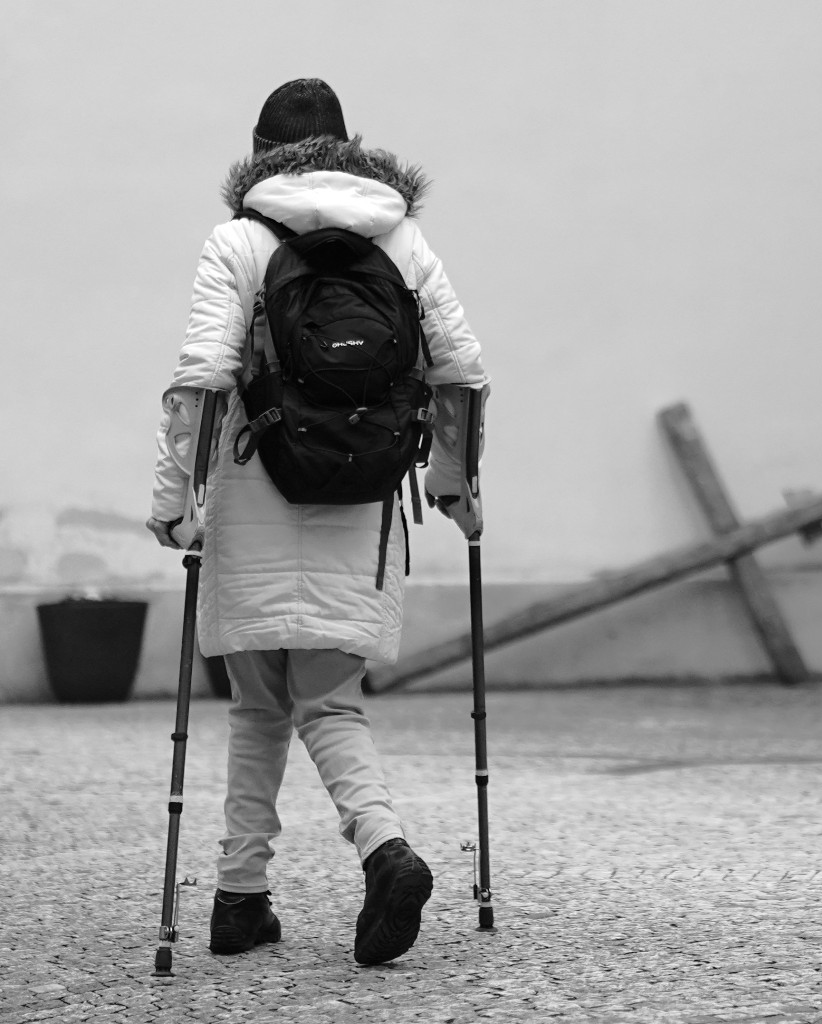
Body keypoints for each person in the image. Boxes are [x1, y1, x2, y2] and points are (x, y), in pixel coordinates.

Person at [146, 78, 489, 966]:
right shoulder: (399, 238)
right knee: (330, 700)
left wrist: (174, 500)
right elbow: (460, 370)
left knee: (257, 704)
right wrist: (455, 486)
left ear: (260, 152)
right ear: (351, 146)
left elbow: (202, 377)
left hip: (256, 484)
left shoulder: (238, 240)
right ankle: (382, 850)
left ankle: (239, 896)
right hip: (361, 496)